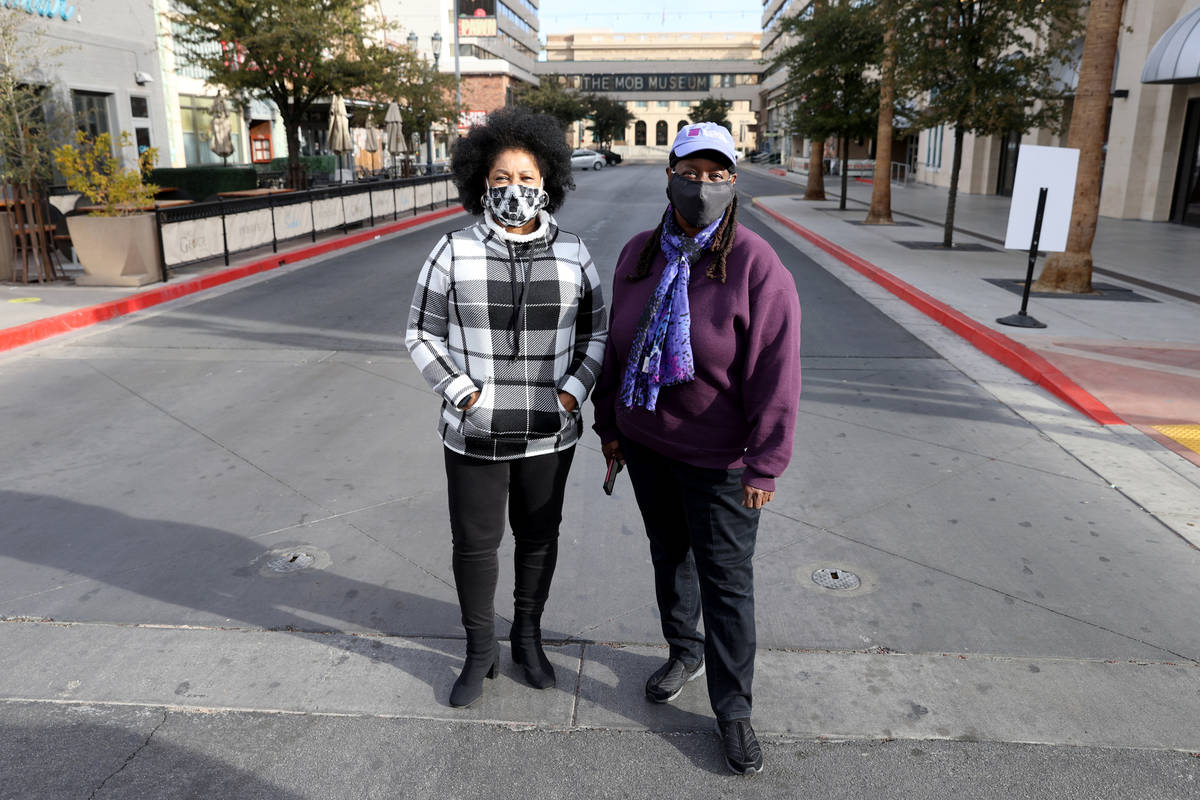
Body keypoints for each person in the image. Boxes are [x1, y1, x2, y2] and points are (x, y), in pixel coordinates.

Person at [591, 122, 802, 774]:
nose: (702, 186)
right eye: (691, 173)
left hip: (723, 459)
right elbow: (613, 349)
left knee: (727, 584)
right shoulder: (639, 254)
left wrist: (766, 460)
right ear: (670, 175)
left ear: (734, 181)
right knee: (670, 555)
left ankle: (733, 710)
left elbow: (776, 369)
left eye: (716, 176)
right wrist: (611, 429)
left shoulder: (755, 266)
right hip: (648, 442)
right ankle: (685, 648)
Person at [406, 107, 606, 708]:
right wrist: (463, 394)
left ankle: (527, 637)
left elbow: (598, 334)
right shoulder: (453, 250)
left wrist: (574, 391)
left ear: (547, 180)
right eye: (500, 179)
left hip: (550, 431)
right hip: (475, 433)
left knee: (538, 538)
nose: (514, 190)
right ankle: (478, 651)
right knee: (475, 543)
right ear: (480, 183)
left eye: (525, 177)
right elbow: (421, 333)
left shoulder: (574, 253)